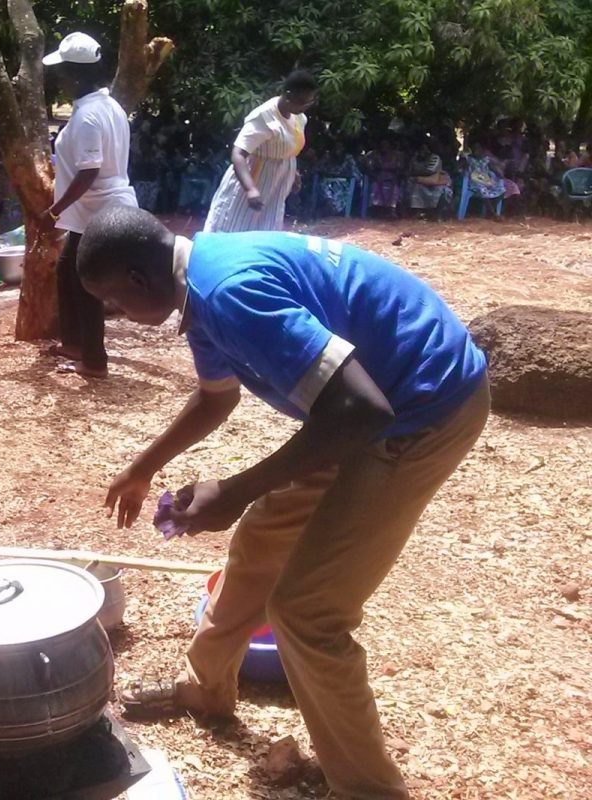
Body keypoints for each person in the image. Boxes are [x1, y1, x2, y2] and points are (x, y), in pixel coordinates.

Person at [77, 205, 488, 800]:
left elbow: (363, 411)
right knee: (264, 537)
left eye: (113, 300)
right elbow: (217, 399)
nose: (115, 313)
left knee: (308, 612)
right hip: (364, 411)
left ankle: (370, 792)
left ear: (140, 280)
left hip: (423, 409)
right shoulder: (196, 286)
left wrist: (236, 490)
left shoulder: (230, 292)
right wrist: (144, 468)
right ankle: (206, 688)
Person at [40, 31, 138, 379]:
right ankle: (75, 343)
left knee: (85, 284)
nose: (60, 79)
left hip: (98, 214)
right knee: (69, 272)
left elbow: (89, 172)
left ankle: (94, 360)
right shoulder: (109, 107)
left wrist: (53, 211)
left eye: (63, 72)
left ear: (77, 74)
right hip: (93, 214)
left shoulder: (89, 117)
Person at [204, 71, 316, 233]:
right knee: (235, 225)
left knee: (266, 228)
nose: (305, 106)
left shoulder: (299, 118)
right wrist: (250, 189)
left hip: (277, 183)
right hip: (254, 179)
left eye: (309, 102)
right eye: (302, 102)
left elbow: (287, 149)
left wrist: (294, 174)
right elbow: (238, 154)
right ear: (288, 95)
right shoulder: (263, 118)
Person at [404, 140, 453, 218]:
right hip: (421, 181)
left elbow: (430, 171)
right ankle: (417, 211)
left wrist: (416, 174)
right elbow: (410, 170)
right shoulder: (415, 157)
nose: (423, 151)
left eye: (425, 149)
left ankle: (434, 212)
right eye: (421, 149)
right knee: (414, 186)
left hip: (436, 181)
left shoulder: (435, 157)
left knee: (438, 190)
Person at [315, 139, 360, 216]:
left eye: (340, 147)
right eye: (336, 147)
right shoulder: (327, 156)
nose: (338, 149)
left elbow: (355, 172)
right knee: (323, 187)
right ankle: (329, 206)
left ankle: (334, 209)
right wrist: (325, 172)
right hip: (327, 181)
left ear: (344, 148)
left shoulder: (348, 158)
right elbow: (317, 168)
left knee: (340, 190)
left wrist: (348, 175)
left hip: (343, 182)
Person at [366, 137, 404, 214]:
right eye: (382, 144)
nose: (383, 146)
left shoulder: (397, 155)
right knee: (375, 186)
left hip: (393, 178)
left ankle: (391, 209)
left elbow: (400, 169)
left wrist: (395, 178)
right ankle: (377, 208)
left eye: (386, 144)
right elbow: (369, 169)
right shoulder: (374, 155)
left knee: (394, 187)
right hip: (378, 177)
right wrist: (376, 177)